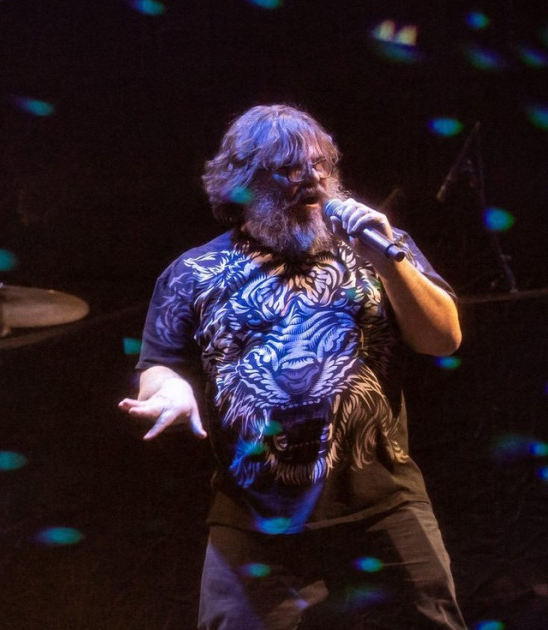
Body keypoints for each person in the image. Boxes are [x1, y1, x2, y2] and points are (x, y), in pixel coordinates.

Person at [118, 104, 466, 629]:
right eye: (290, 169)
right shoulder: (191, 272)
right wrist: (169, 390)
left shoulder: (379, 246)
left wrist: (386, 258)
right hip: (254, 516)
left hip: (383, 502)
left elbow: (443, 339)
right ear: (244, 183)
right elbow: (159, 365)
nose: (314, 179)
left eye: (321, 164)